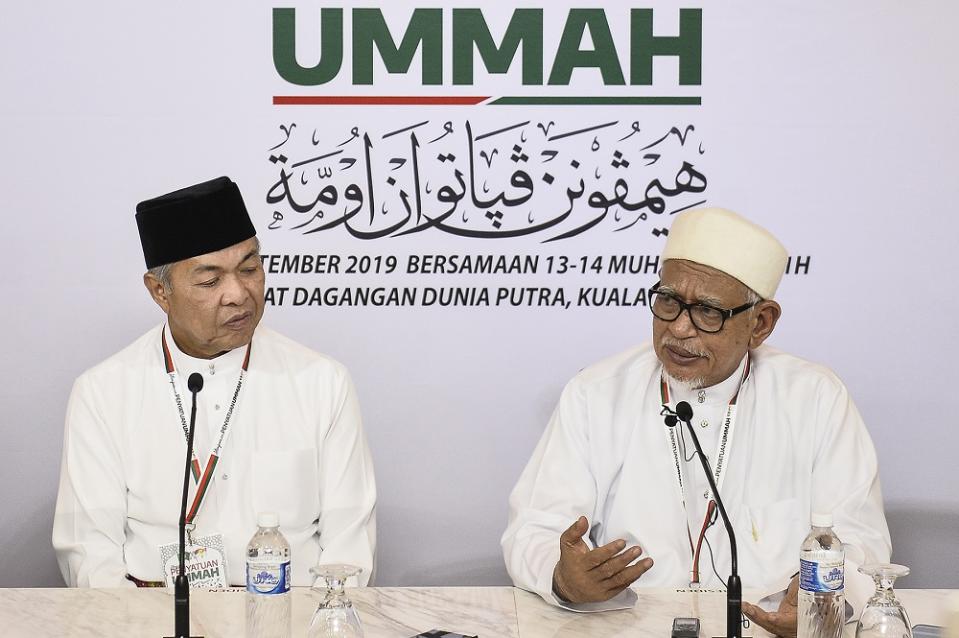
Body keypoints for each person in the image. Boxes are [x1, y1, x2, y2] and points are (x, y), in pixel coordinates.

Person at [501, 207, 890, 634]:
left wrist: (821, 596)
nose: (679, 329)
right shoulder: (597, 392)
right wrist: (563, 578)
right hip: (630, 628)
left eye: (707, 312)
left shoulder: (814, 397)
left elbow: (861, 542)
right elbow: (534, 529)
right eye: (668, 301)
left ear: (760, 324)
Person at [53, 176, 376, 588]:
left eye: (250, 268)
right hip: (151, 622)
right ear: (159, 292)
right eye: (210, 281)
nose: (239, 294)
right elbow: (89, 555)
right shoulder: (102, 393)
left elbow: (349, 550)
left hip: (289, 620)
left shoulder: (322, 382)